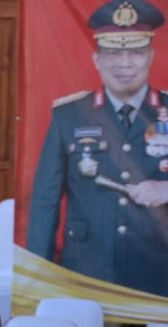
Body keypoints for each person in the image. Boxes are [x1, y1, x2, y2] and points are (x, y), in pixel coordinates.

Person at [27, 0, 168, 297]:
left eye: (135, 52)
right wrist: (37, 279)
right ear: (96, 59)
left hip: (158, 273)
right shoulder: (69, 116)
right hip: (88, 272)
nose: (124, 64)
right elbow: (45, 201)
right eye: (113, 53)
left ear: (151, 57)